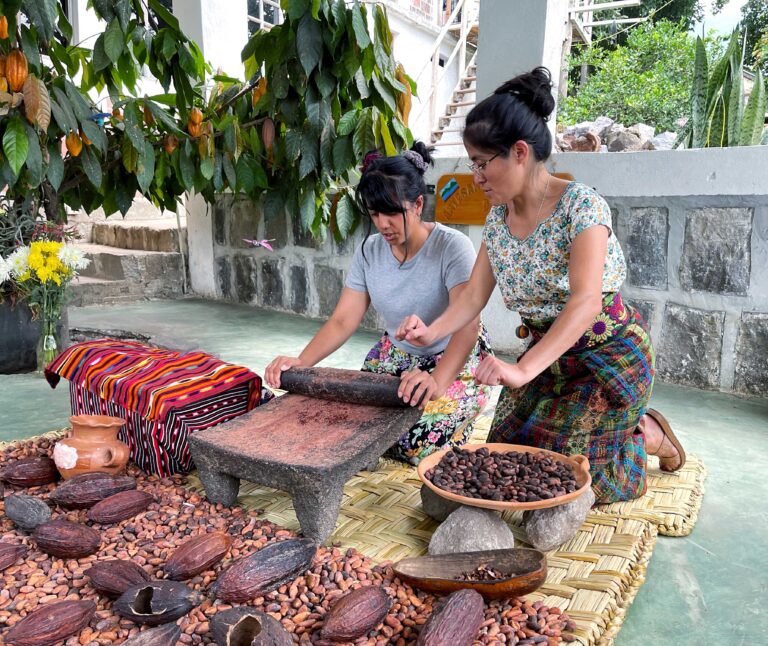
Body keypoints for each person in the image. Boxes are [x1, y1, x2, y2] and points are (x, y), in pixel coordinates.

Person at [396, 68, 685, 503]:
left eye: (482, 162)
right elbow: (473, 295)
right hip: (549, 361)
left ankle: (649, 434)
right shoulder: (498, 219)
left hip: (605, 359)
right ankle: (624, 427)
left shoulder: (581, 207)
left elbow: (586, 301)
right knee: (511, 463)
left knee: (576, 480)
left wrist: (521, 369)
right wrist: (430, 331)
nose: (476, 176)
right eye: (472, 163)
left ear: (519, 152)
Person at [265, 143, 492, 465]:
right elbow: (343, 320)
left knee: (413, 442)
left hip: (454, 357)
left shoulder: (451, 247)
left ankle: (457, 418)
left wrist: (437, 381)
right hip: (395, 356)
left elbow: (468, 325)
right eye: (375, 214)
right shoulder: (370, 250)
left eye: (392, 212)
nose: (383, 224)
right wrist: (301, 362)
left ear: (418, 204)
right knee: (355, 425)